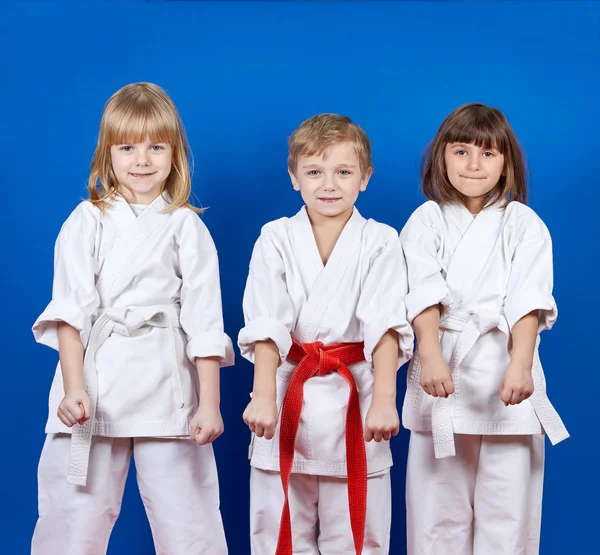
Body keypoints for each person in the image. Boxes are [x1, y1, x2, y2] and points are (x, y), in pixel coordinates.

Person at [31, 82, 232, 555]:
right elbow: (70, 312)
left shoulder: (187, 226)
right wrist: (74, 387)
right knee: (74, 515)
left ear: (175, 153)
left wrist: (209, 403)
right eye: (127, 147)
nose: (142, 160)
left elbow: (205, 323)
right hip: (94, 381)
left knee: (188, 518)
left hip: (169, 383)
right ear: (108, 154)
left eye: (156, 146)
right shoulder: (86, 221)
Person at [239, 113, 413, 555]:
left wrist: (385, 401)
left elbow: (385, 325)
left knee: (359, 536)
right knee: (277, 532)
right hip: (286, 397)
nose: (328, 184)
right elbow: (267, 324)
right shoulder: (275, 238)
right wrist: (261, 396)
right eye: (314, 172)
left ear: (365, 178)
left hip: (357, 402)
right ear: (294, 177)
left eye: (343, 171)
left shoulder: (380, 241)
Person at [400, 102, 569, 555]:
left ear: (506, 163)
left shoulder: (523, 223)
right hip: (443, 374)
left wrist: (521, 366)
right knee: (436, 515)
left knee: (507, 515)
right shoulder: (426, 220)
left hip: (506, 372)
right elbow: (421, 291)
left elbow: (528, 301)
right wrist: (430, 354)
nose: (474, 165)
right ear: (441, 158)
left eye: (488, 154)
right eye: (461, 152)